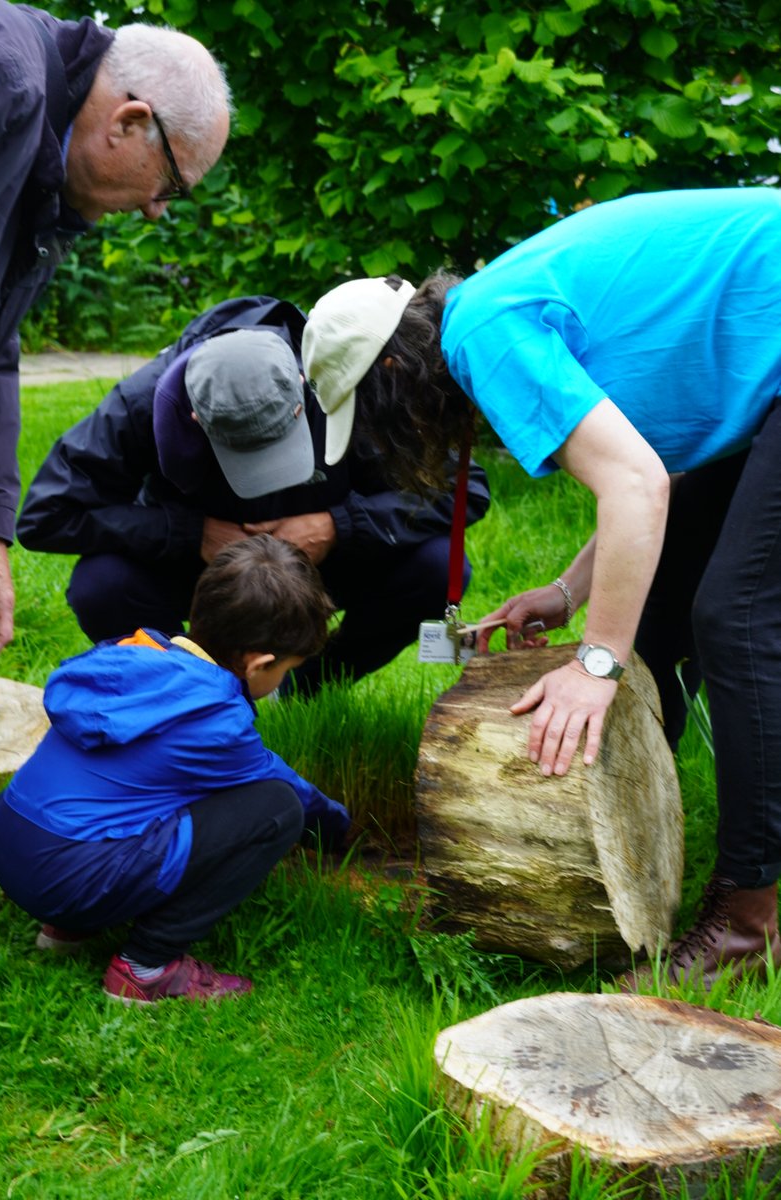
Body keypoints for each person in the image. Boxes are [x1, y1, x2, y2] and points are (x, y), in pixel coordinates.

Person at [300, 186, 781, 987]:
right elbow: (656, 470)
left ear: (392, 371)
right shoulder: (490, 310)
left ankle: (746, 924)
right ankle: (630, 834)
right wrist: (567, 592)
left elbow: (635, 487)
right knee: (665, 608)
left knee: (736, 618)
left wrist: (595, 664)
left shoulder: (484, 336)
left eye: (376, 414)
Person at [16, 296, 490, 696]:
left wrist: (339, 526)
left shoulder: (342, 377)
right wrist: (190, 533)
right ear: (195, 417)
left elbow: (465, 488)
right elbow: (46, 516)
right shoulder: (139, 404)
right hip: (203, 571)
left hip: (323, 560)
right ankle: (191, 694)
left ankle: (306, 686)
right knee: (101, 585)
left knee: (436, 566)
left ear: (302, 391)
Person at [0, 534, 350, 1004]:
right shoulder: (214, 720)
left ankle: (68, 927)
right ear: (259, 664)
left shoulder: (134, 653)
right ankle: (147, 966)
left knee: (135, 791)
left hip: (10, 846)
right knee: (276, 808)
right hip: (68, 878)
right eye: (286, 670)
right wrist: (339, 828)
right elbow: (286, 787)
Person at [0, 0, 232, 661]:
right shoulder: (1, 82)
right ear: (129, 121)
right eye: (171, 184)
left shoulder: (52, 181)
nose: (155, 211)